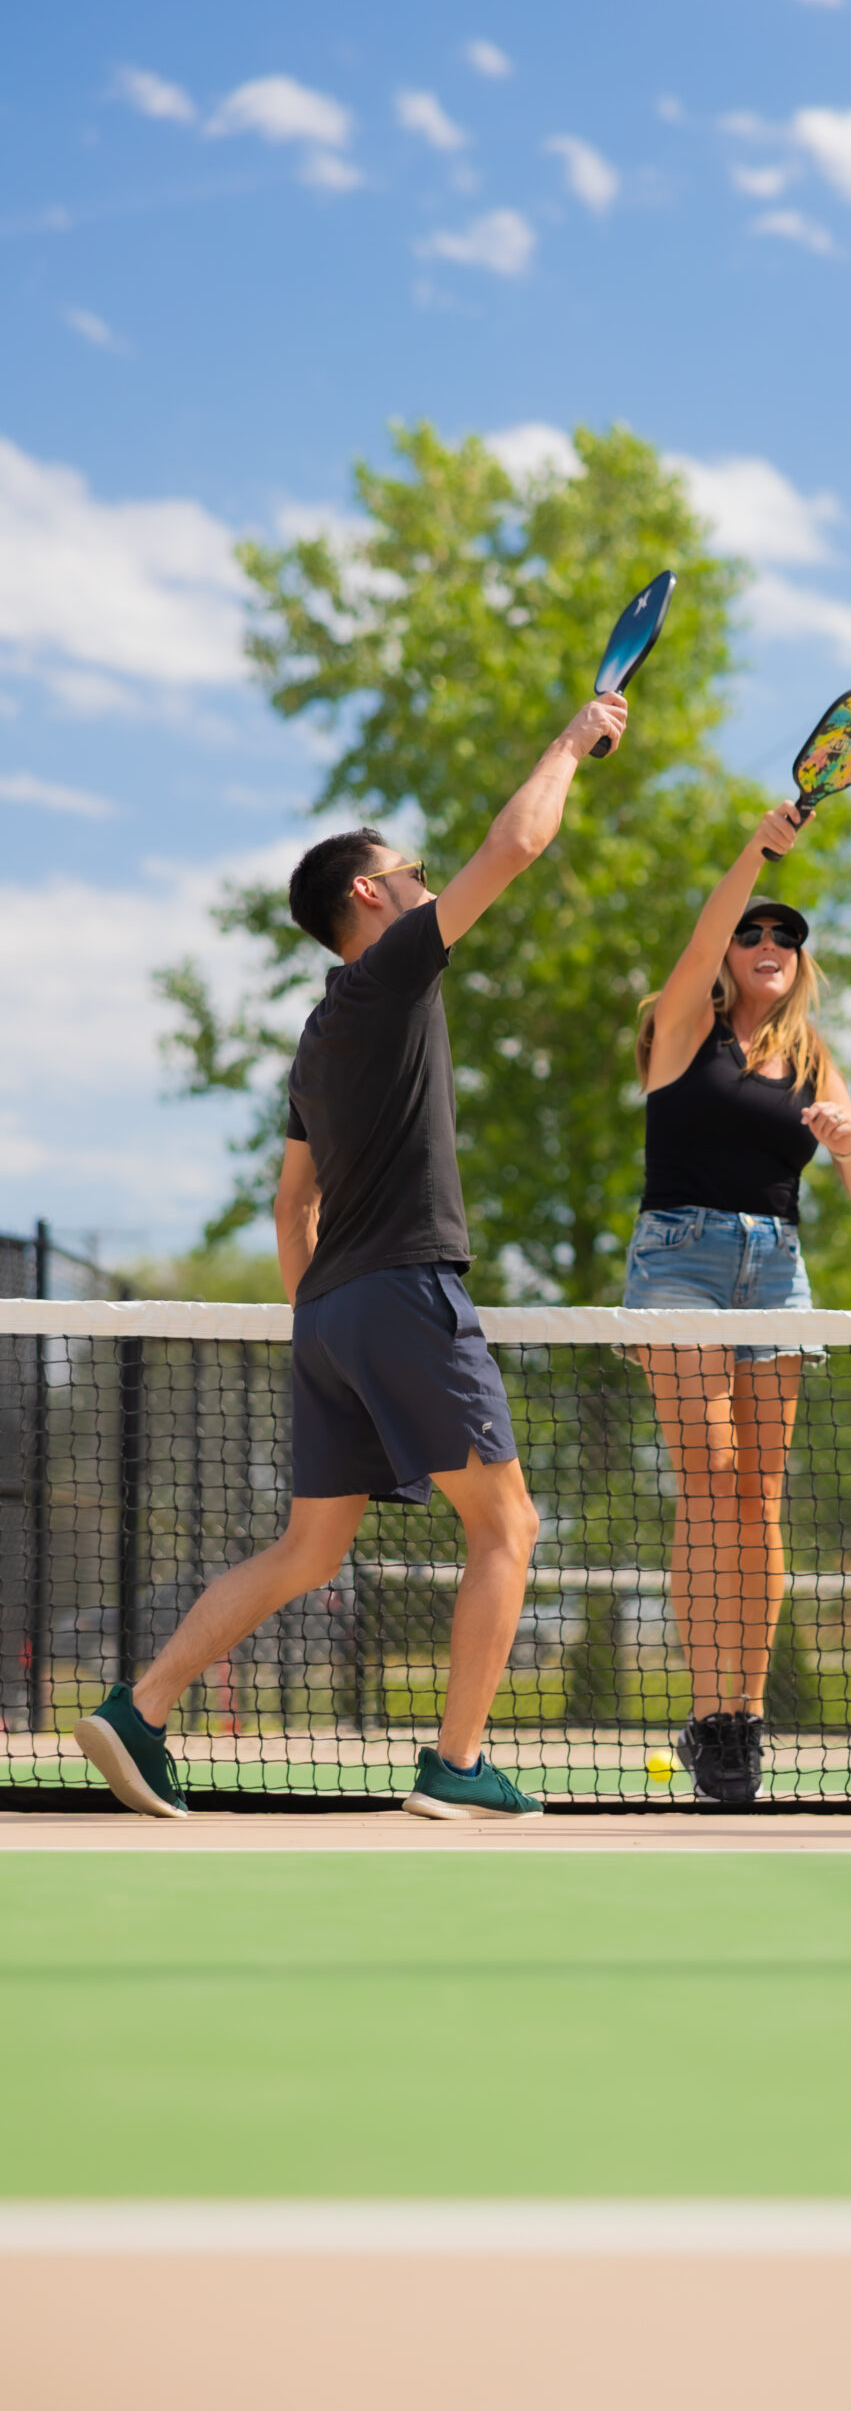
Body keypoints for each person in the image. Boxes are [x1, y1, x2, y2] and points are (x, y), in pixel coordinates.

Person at [73, 690, 629, 1821]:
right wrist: (569, 742)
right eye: (413, 867)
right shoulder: (388, 978)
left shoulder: (318, 1037)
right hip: (398, 1295)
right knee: (509, 1528)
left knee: (309, 1549)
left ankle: (140, 1708)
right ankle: (457, 1764)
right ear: (372, 895)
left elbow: (291, 1209)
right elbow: (518, 842)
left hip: (326, 1317)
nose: (430, 879)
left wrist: (328, 1329)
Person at [628, 804, 851, 1804]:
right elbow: (701, 936)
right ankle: (707, 1711)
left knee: (759, 1497)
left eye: (786, 935)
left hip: (777, 1266)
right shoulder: (679, 1027)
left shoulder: (815, 1052)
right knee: (711, 1478)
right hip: (679, 1261)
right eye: (754, 931)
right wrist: (757, 850)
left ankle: (743, 1717)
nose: (769, 942)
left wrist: (848, 1143)